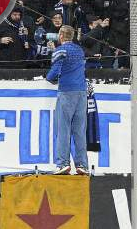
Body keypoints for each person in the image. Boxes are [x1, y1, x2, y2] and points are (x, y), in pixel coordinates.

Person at [46, 25, 88, 175]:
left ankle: (63, 163)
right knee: (79, 131)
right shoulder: (79, 50)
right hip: (81, 93)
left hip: (67, 92)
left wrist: (50, 77)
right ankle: (82, 164)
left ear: (61, 36)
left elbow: (53, 73)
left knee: (63, 129)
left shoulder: (61, 50)